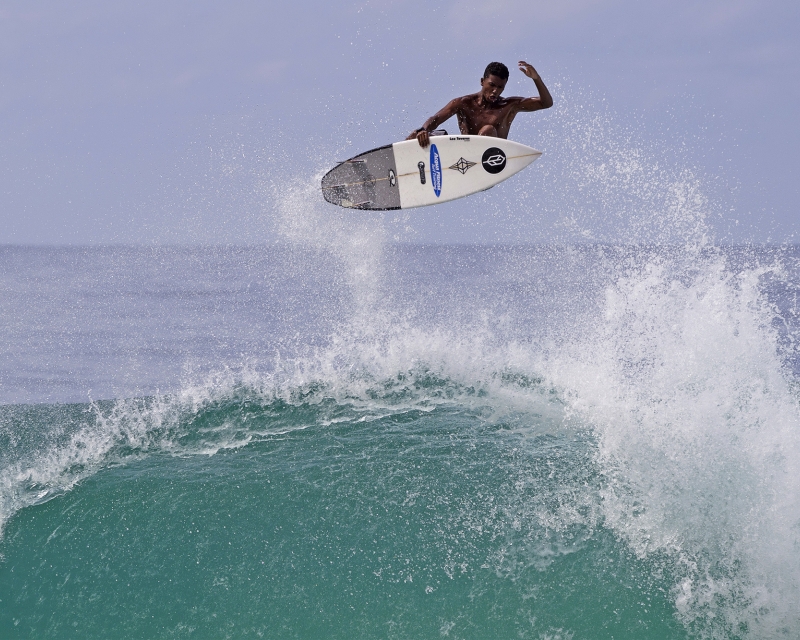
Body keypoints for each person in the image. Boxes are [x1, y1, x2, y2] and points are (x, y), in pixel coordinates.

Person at [406, 61, 553, 148]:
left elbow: (546, 103)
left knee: (488, 129)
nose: (495, 91)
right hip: (464, 157)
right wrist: (423, 130)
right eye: (492, 85)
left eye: (500, 87)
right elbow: (436, 119)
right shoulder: (463, 103)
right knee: (417, 134)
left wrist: (536, 79)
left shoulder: (509, 106)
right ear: (482, 82)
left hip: (491, 162)